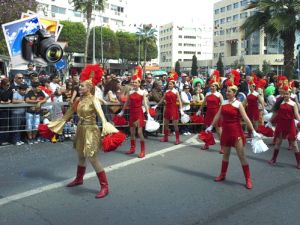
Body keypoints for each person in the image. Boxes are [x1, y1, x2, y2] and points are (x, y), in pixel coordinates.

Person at [48, 64, 119, 198]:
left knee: (92, 158)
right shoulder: (79, 100)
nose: (79, 87)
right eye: (79, 85)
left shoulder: (94, 100)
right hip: (80, 129)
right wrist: (56, 125)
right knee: (80, 156)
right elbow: (68, 114)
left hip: (91, 130)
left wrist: (106, 127)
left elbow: (101, 116)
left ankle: (105, 187)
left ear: (89, 87)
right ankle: (79, 179)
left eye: (82, 86)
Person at [208, 81, 261, 189]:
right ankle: (222, 174)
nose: (227, 93)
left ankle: (248, 179)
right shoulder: (223, 103)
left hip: (236, 131)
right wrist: (210, 126)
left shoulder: (238, 104)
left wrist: (254, 131)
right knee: (225, 154)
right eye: (226, 91)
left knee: (241, 155)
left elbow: (245, 118)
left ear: (234, 93)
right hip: (226, 131)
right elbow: (217, 116)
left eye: (229, 91)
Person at [119, 68, 150, 158]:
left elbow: (145, 103)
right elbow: (126, 102)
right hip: (132, 113)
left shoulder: (143, 92)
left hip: (139, 113)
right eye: (133, 82)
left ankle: (142, 151)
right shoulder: (130, 91)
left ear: (139, 83)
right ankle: (132, 148)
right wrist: (122, 111)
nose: (133, 83)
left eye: (135, 82)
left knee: (139, 132)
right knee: (132, 132)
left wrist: (148, 113)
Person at [267, 85, 300, 169]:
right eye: (284, 94)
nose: (286, 95)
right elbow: (275, 113)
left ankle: (299, 162)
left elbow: (296, 115)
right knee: (278, 142)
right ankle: (273, 159)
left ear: (290, 94)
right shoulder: (280, 102)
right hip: (281, 124)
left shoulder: (293, 104)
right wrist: (269, 121)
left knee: (294, 144)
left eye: (287, 94)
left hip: (290, 124)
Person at [197, 70, 224, 153]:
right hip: (208, 113)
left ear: (217, 87)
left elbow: (222, 105)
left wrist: (222, 114)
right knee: (207, 130)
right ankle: (207, 144)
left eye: (214, 86)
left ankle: (222, 147)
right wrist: (199, 110)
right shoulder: (207, 94)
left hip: (216, 113)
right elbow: (203, 103)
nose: (212, 87)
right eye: (211, 86)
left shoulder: (219, 94)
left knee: (219, 130)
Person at [154, 77, 184, 145]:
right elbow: (162, 99)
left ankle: (177, 139)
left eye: (171, 84)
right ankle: (166, 137)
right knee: (166, 124)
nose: (169, 85)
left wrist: (181, 109)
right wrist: (157, 105)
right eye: (169, 84)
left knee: (175, 125)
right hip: (167, 108)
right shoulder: (166, 91)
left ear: (173, 85)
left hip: (173, 108)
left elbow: (179, 100)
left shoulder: (176, 91)